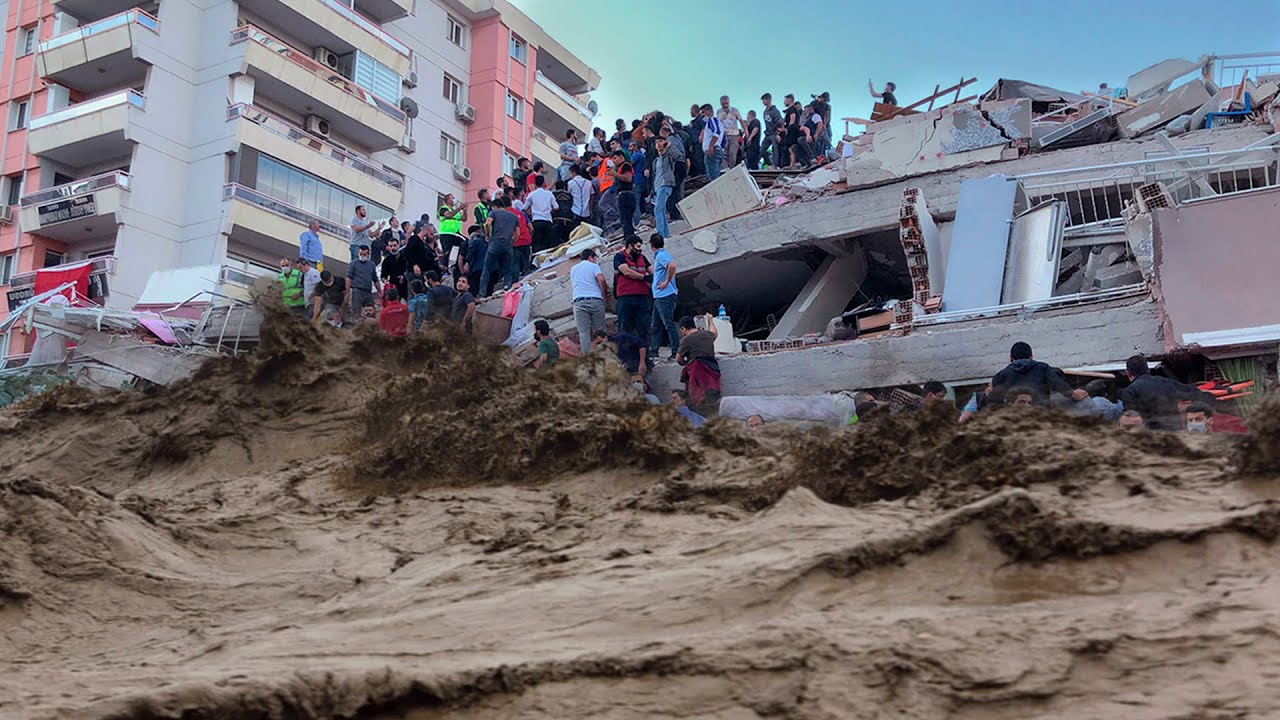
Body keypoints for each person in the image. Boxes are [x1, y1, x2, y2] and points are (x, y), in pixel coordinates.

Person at [1119, 354, 1215, 431]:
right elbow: (1194, 392)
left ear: (1128, 373)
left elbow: (1130, 419)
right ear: (1148, 370)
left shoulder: (1129, 392)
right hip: (1175, 432)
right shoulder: (1166, 382)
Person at [990, 341, 1086, 407]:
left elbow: (995, 402)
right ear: (1031, 357)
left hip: (1016, 422)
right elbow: (1058, 384)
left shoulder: (1000, 376)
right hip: (1041, 417)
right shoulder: (1043, 368)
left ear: (1010, 358)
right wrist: (1074, 394)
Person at [677, 314, 721, 418]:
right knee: (711, 397)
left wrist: (685, 363)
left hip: (697, 372)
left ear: (683, 328)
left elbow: (678, 359)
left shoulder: (686, 340)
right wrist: (710, 320)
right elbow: (715, 333)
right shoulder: (706, 334)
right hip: (712, 370)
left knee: (697, 399)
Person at [612, 236, 652, 340]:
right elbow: (626, 272)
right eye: (638, 246)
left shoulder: (642, 258)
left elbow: (653, 271)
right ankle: (626, 354)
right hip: (626, 297)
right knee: (625, 328)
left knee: (644, 328)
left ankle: (645, 354)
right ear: (630, 246)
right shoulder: (619, 256)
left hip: (642, 297)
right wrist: (644, 277)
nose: (640, 249)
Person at [570, 248, 607, 353]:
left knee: (584, 333)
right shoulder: (594, 266)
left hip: (579, 301)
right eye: (595, 258)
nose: (595, 261)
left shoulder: (574, 269)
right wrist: (604, 294)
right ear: (591, 257)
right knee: (600, 331)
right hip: (595, 300)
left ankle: (588, 359)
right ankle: (604, 356)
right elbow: (601, 279)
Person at [480, 195, 519, 296]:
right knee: (507, 271)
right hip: (507, 245)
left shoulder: (493, 213)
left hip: (495, 243)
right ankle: (507, 292)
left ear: (495, 206)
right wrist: (512, 242)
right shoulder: (513, 216)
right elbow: (518, 233)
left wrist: (488, 235)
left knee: (487, 269)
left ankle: (482, 293)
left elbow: (487, 224)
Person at [649, 234, 679, 360]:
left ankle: (675, 351)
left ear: (651, 245)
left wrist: (666, 281)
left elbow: (672, 266)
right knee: (655, 325)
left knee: (668, 324)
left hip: (665, 295)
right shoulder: (661, 255)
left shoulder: (661, 255)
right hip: (659, 296)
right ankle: (654, 350)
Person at [659, 126, 687, 220]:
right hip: (682, 164)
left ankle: (675, 214)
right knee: (679, 189)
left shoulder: (670, 140)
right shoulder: (678, 139)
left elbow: (676, 154)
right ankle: (680, 212)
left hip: (677, 165)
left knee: (675, 190)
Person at [345, 244, 380, 317]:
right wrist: (347, 292)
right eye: (361, 254)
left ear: (368, 254)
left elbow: (375, 279)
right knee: (356, 313)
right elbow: (348, 278)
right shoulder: (353, 263)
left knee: (371, 312)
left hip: (368, 291)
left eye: (364, 254)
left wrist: (379, 291)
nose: (362, 256)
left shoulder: (371, 265)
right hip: (357, 290)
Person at [526, 174, 558, 253]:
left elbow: (525, 207)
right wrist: (550, 210)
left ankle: (536, 263)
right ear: (544, 183)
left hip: (536, 221)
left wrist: (529, 212)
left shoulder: (532, 194)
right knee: (547, 246)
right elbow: (556, 206)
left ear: (535, 183)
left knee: (537, 244)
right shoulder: (549, 194)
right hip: (548, 221)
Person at [652, 137, 677, 238]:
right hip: (658, 186)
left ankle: (660, 233)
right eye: (657, 142)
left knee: (657, 209)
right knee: (661, 209)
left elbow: (678, 156)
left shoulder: (668, 156)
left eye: (661, 141)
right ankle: (665, 233)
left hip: (665, 184)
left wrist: (670, 147)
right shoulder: (655, 161)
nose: (658, 144)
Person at [612, 150, 636, 238]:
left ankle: (629, 238)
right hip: (624, 195)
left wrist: (615, 174)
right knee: (626, 219)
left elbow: (628, 178)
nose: (614, 161)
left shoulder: (625, 166)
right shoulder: (619, 168)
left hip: (626, 195)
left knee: (626, 219)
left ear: (621, 157)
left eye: (615, 158)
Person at [716, 96, 744, 169]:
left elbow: (741, 120)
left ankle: (732, 168)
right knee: (724, 153)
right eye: (723, 102)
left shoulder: (734, 110)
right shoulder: (719, 112)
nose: (725, 103)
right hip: (724, 135)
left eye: (726, 101)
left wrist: (746, 130)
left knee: (732, 153)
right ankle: (725, 169)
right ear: (721, 103)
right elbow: (718, 124)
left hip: (734, 135)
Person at [699, 104, 725, 181]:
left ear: (709, 111)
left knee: (713, 177)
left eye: (703, 112)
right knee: (716, 173)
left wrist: (710, 147)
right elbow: (723, 140)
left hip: (712, 151)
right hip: (717, 150)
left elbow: (716, 132)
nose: (702, 115)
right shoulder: (720, 124)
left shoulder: (712, 120)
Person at [462, 225, 488, 293]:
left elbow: (470, 254)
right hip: (488, 268)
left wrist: (467, 262)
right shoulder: (487, 242)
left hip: (476, 268)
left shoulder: (474, 242)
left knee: (473, 289)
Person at [760, 93, 783, 169]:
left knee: (775, 149)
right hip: (767, 134)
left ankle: (775, 166)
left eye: (764, 100)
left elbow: (780, 122)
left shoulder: (775, 111)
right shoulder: (765, 112)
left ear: (768, 100)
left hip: (774, 133)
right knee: (762, 150)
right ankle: (770, 163)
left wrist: (778, 134)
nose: (763, 102)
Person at [567, 164, 594, 228]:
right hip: (587, 212)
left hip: (575, 210)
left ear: (573, 172)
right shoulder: (588, 182)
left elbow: (569, 196)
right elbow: (592, 196)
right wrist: (590, 209)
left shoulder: (570, 183)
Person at [380, 236, 406, 300]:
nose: (393, 248)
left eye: (394, 245)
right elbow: (383, 275)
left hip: (406, 285)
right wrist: (385, 280)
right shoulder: (387, 260)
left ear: (398, 245)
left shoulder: (405, 257)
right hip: (394, 287)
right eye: (390, 246)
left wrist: (404, 276)